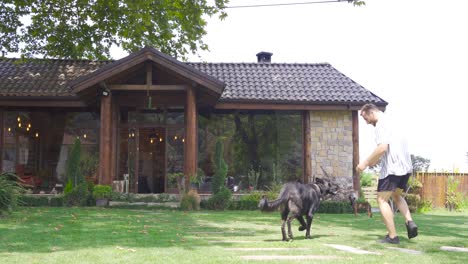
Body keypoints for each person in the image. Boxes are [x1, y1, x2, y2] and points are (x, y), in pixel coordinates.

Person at [356, 103, 418, 244]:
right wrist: (374, 161)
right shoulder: (393, 122)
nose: (367, 123)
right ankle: (410, 221)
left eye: (366, 119)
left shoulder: (380, 125)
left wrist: (364, 163)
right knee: (396, 195)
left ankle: (392, 236)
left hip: (392, 169)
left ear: (371, 113)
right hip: (405, 167)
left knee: (381, 200)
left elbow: (382, 148)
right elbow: (389, 149)